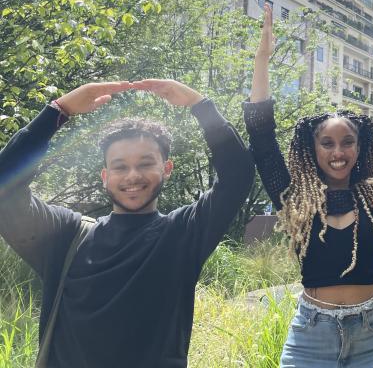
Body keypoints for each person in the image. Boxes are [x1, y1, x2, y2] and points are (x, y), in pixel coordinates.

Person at [0, 79, 255, 367]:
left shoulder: (183, 233)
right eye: (120, 166)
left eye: (146, 163)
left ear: (166, 169)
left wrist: (200, 106)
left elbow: (238, 175)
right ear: (105, 176)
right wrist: (59, 110)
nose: (133, 175)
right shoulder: (65, 237)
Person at [243, 7, 373, 367]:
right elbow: (261, 136)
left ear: (360, 149)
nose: (338, 152)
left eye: (347, 142)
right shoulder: (294, 196)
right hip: (311, 335)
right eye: (327, 143)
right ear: (312, 150)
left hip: (372, 333)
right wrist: (262, 58)